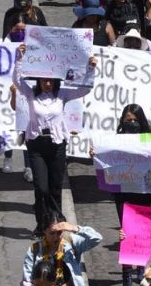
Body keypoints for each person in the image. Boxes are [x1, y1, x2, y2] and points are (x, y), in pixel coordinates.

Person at [12, 44, 97, 235]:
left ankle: (55, 220)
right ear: (39, 80)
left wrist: (91, 69)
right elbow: (17, 81)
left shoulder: (62, 95)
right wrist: (19, 58)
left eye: (50, 80)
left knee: (55, 186)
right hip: (36, 144)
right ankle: (43, 221)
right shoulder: (31, 94)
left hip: (57, 144)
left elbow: (85, 89)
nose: (47, 84)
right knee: (41, 187)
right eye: (43, 80)